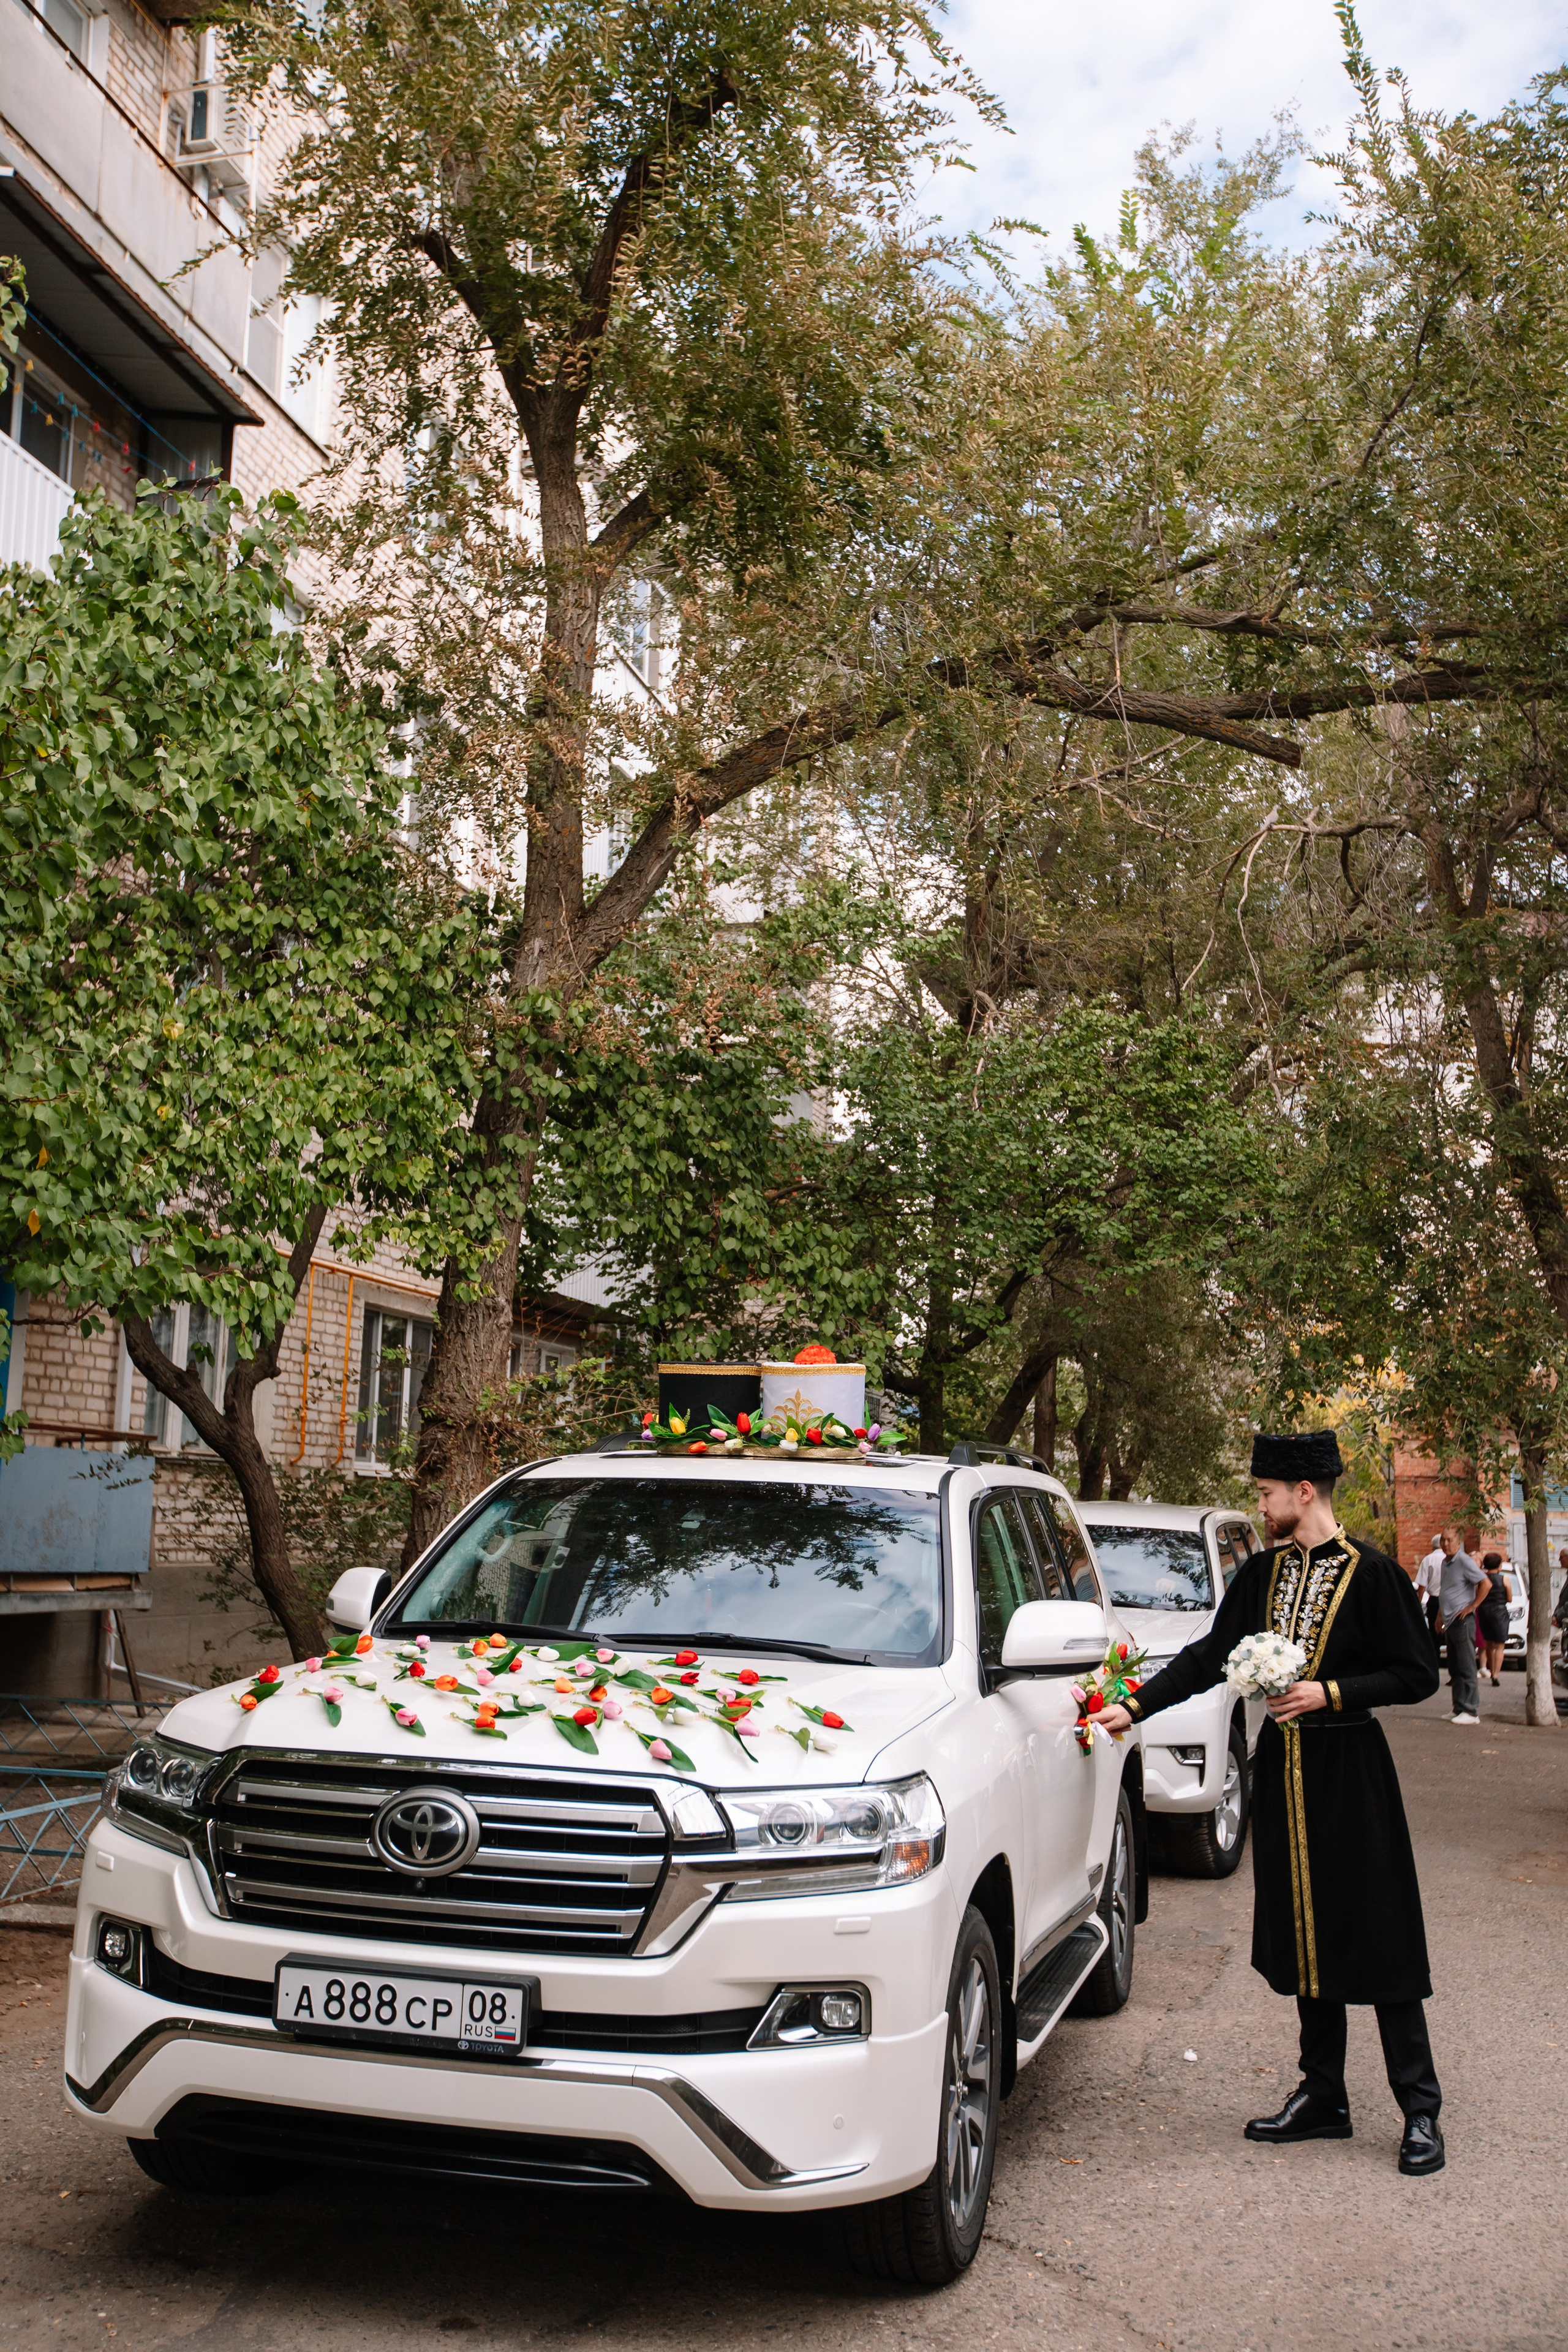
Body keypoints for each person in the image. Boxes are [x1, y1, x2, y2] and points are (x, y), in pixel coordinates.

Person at [1095, 1428, 1445, 2176]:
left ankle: (1420, 2109)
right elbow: (1205, 1656)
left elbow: (1417, 1676)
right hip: (1282, 1772)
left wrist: (1331, 1691)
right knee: (1304, 1929)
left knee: (1375, 1930)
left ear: (1304, 1492)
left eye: (1265, 1494)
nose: (1260, 1503)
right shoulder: (1260, 1575)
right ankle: (1323, 2096)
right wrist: (1135, 1703)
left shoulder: (1374, 1576)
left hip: (1353, 1772)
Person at [1434, 1529, 1490, 1723]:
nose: (1446, 1543)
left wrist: (1472, 1606)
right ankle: (1459, 1708)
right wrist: (1439, 1616)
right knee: (1455, 1666)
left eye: (1450, 1540)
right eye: (1443, 1540)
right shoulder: (1445, 1563)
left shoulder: (1465, 1561)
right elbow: (1445, 1590)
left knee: (1466, 1665)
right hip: (1450, 1621)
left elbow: (1486, 1583)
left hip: (1462, 1620)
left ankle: (1471, 1711)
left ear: (1458, 1542)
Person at [1476, 1552, 1510, 1686]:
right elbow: (1510, 1598)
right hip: (1500, 1612)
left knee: (1489, 1644)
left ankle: (1491, 1672)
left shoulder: (1482, 1579)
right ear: (1500, 1565)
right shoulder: (1505, 1579)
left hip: (1484, 1612)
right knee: (1500, 1645)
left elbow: (1477, 1595)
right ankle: (1496, 1674)